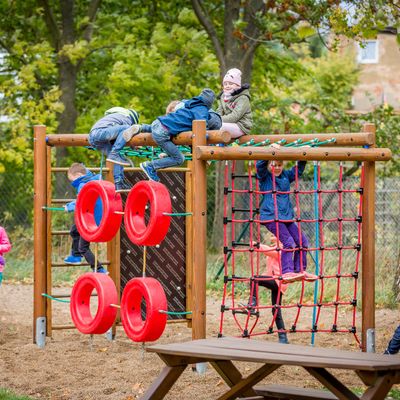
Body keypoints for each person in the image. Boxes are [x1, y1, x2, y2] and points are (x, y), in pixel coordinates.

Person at [256, 158, 318, 283]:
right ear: (269, 165)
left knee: (302, 242)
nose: (277, 167)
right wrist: (269, 152)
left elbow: (298, 170)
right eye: (274, 164)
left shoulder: (286, 176)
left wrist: (303, 156)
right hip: (271, 217)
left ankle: (299, 270)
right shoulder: (265, 177)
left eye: (280, 165)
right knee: (289, 243)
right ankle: (286, 272)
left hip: (286, 218)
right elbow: (260, 165)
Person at [138, 88, 217, 182]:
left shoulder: (189, 104)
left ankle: (142, 128)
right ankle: (150, 166)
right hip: (163, 131)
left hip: (157, 123)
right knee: (179, 158)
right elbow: (202, 125)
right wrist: (207, 136)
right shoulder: (202, 109)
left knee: (174, 140)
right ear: (209, 103)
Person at [63, 163, 107, 273]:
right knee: (74, 230)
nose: (72, 183)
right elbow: (84, 199)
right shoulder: (93, 181)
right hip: (93, 217)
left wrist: (69, 207)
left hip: (90, 221)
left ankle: (99, 268)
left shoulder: (83, 185)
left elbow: (82, 201)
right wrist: (70, 204)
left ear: (78, 175)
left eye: (72, 180)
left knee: (83, 247)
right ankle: (76, 256)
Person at [248, 236, 289, 344]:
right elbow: (271, 268)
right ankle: (283, 337)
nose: (271, 235)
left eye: (274, 234)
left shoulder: (284, 248)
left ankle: (252, 304)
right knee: (276, 310)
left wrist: (257, 245)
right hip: (276, 281)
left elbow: (270, 251)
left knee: (254, 279)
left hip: (278, 281)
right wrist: (263, 278)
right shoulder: (276, 247)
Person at [88, 107, 140, 192]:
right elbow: (128, 131)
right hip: (101, 133)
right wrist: (133, 145)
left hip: (93, 139)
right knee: (127, 129)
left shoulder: (113, 117)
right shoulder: (126, 119)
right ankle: (118, 181)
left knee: (117, 158)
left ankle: (118, 183)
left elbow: (117, 135)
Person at [216, 68, 252, 138]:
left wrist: (217, 119)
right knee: (210, 125)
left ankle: (216, 147)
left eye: (231, 84)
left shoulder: (243, 98)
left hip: (241, 126)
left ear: (238, 86)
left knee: (218, 126)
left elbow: (235, 116)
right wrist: (214, 118)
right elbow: (219, 111)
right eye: (225, 84)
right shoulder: (224, 96)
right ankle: (215, 146)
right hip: (229, 123)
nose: (227, 86)